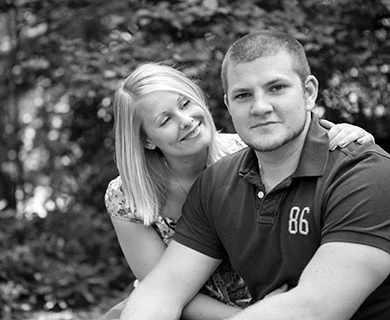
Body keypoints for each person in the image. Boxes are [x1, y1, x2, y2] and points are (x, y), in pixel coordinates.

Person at [118, 30, 390, 320]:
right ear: (228, 105)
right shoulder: (216, 182)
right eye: (244, 95)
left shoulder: (363, 174)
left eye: (276, 88)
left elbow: (316, 308)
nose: (260, 107)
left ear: (309, 92)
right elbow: (162, 288)